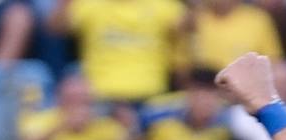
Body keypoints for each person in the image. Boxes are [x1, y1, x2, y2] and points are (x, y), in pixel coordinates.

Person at [48, 0, 184, 106]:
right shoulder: (90, 3)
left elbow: (188, 30)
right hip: (100, 96)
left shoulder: (162, 5)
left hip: (152, 95)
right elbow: (56, 29)